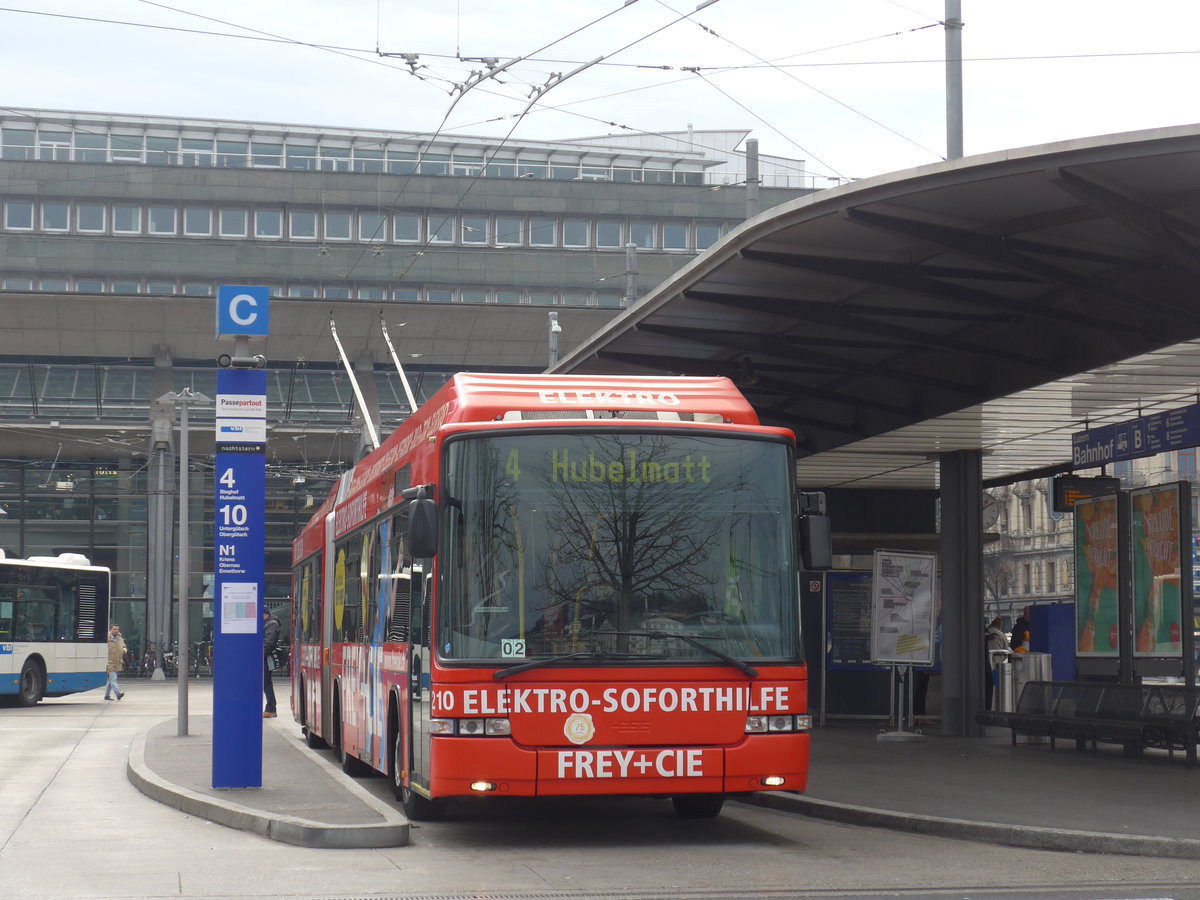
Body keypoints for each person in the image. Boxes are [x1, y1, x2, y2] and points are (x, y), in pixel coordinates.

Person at [985, 617, 1010, 710]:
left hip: (987, 662)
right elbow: (1006, 650)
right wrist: (1000, 659)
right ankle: (996, 701)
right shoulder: (1002, 635)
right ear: (1000, 625)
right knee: (995, 683)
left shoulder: (986, 633)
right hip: (997, 664)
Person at [262, 606, 281, 718]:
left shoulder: (271, 624)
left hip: (265, 658)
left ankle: (271, 708)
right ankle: (270, 708)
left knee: (266, 683)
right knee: (265, 683)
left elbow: (268, 643)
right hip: (263, 656)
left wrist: (258, 656)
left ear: (265, 614)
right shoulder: (268, 623)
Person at [105, 624, 126, 701]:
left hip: (117, 662)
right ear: (111, 630)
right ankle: (118, 694)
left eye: (117, 629)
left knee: (111, 680)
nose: (116, 630)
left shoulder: (120, 638)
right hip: (109, 663)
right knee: (113, 678)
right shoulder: (107, 638)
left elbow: (124, 646)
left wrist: (124, 650)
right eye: (114, 629)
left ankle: (106, 695)